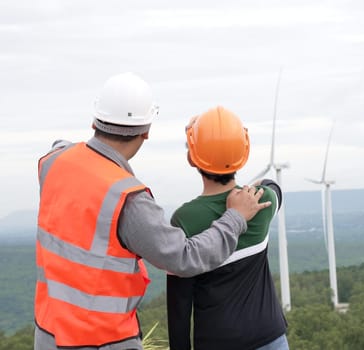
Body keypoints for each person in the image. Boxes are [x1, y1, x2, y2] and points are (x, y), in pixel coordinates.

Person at [34, 73, 271, 350]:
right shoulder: (129, 200)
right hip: (102, 340)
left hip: (48, 333)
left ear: (95, 121)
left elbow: (62, 145)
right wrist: (235, 218)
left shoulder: (53, 162)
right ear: (146, 132)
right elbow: (185, 258)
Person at [166, 106, 288, 350]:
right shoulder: (263, 201)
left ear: (192, 158)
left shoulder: (185, 220)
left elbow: (180, 307)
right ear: (244, 152)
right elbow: (273, 185)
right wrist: (247, 192)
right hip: (271, 339)